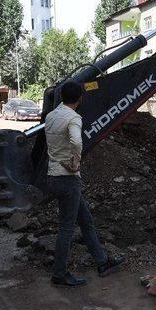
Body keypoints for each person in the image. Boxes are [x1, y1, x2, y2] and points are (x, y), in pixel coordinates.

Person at [46, 81, 125, 287]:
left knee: (86, 220)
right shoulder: (73, 118)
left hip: (53, 176)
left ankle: (102, 262)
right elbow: (77, 141)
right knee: (66, 228)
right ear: (80, 98)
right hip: (67, 179)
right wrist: (75, 161)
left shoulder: (51, 116)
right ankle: (59, 274)